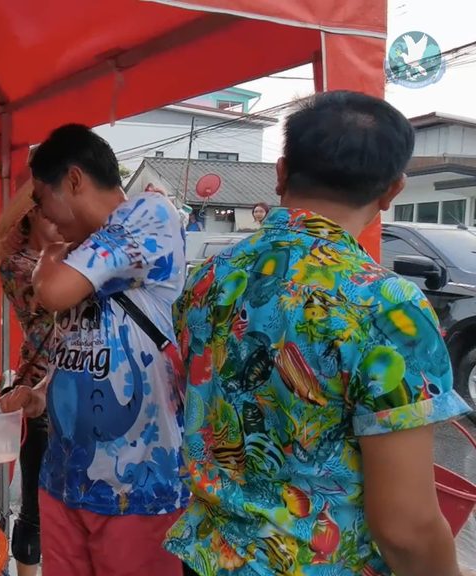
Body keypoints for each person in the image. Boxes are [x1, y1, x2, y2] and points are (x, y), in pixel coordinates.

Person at [166, 91, 471, 576]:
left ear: (281, 172)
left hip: (208, 557)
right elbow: (406, 528)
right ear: (393, 190)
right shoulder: (386, 306)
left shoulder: (209, 279)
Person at [0, 124, 187, 575]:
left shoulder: (149, 213)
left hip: (136, 489)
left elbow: (52, 293)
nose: (44, 215)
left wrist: (49, 256)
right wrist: (43, 393)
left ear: (74, 180)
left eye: (41, 198)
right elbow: (79, 340)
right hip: (65, 480)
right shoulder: (85, 253)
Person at [0, 167, 62, 576]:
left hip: (79, 387)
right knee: (34, 504)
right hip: (37, 388)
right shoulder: (18, 265)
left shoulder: (72, 256)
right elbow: (0, 238)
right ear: (32, 212)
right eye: (50, 208)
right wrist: (39, 177)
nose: (61, 217)